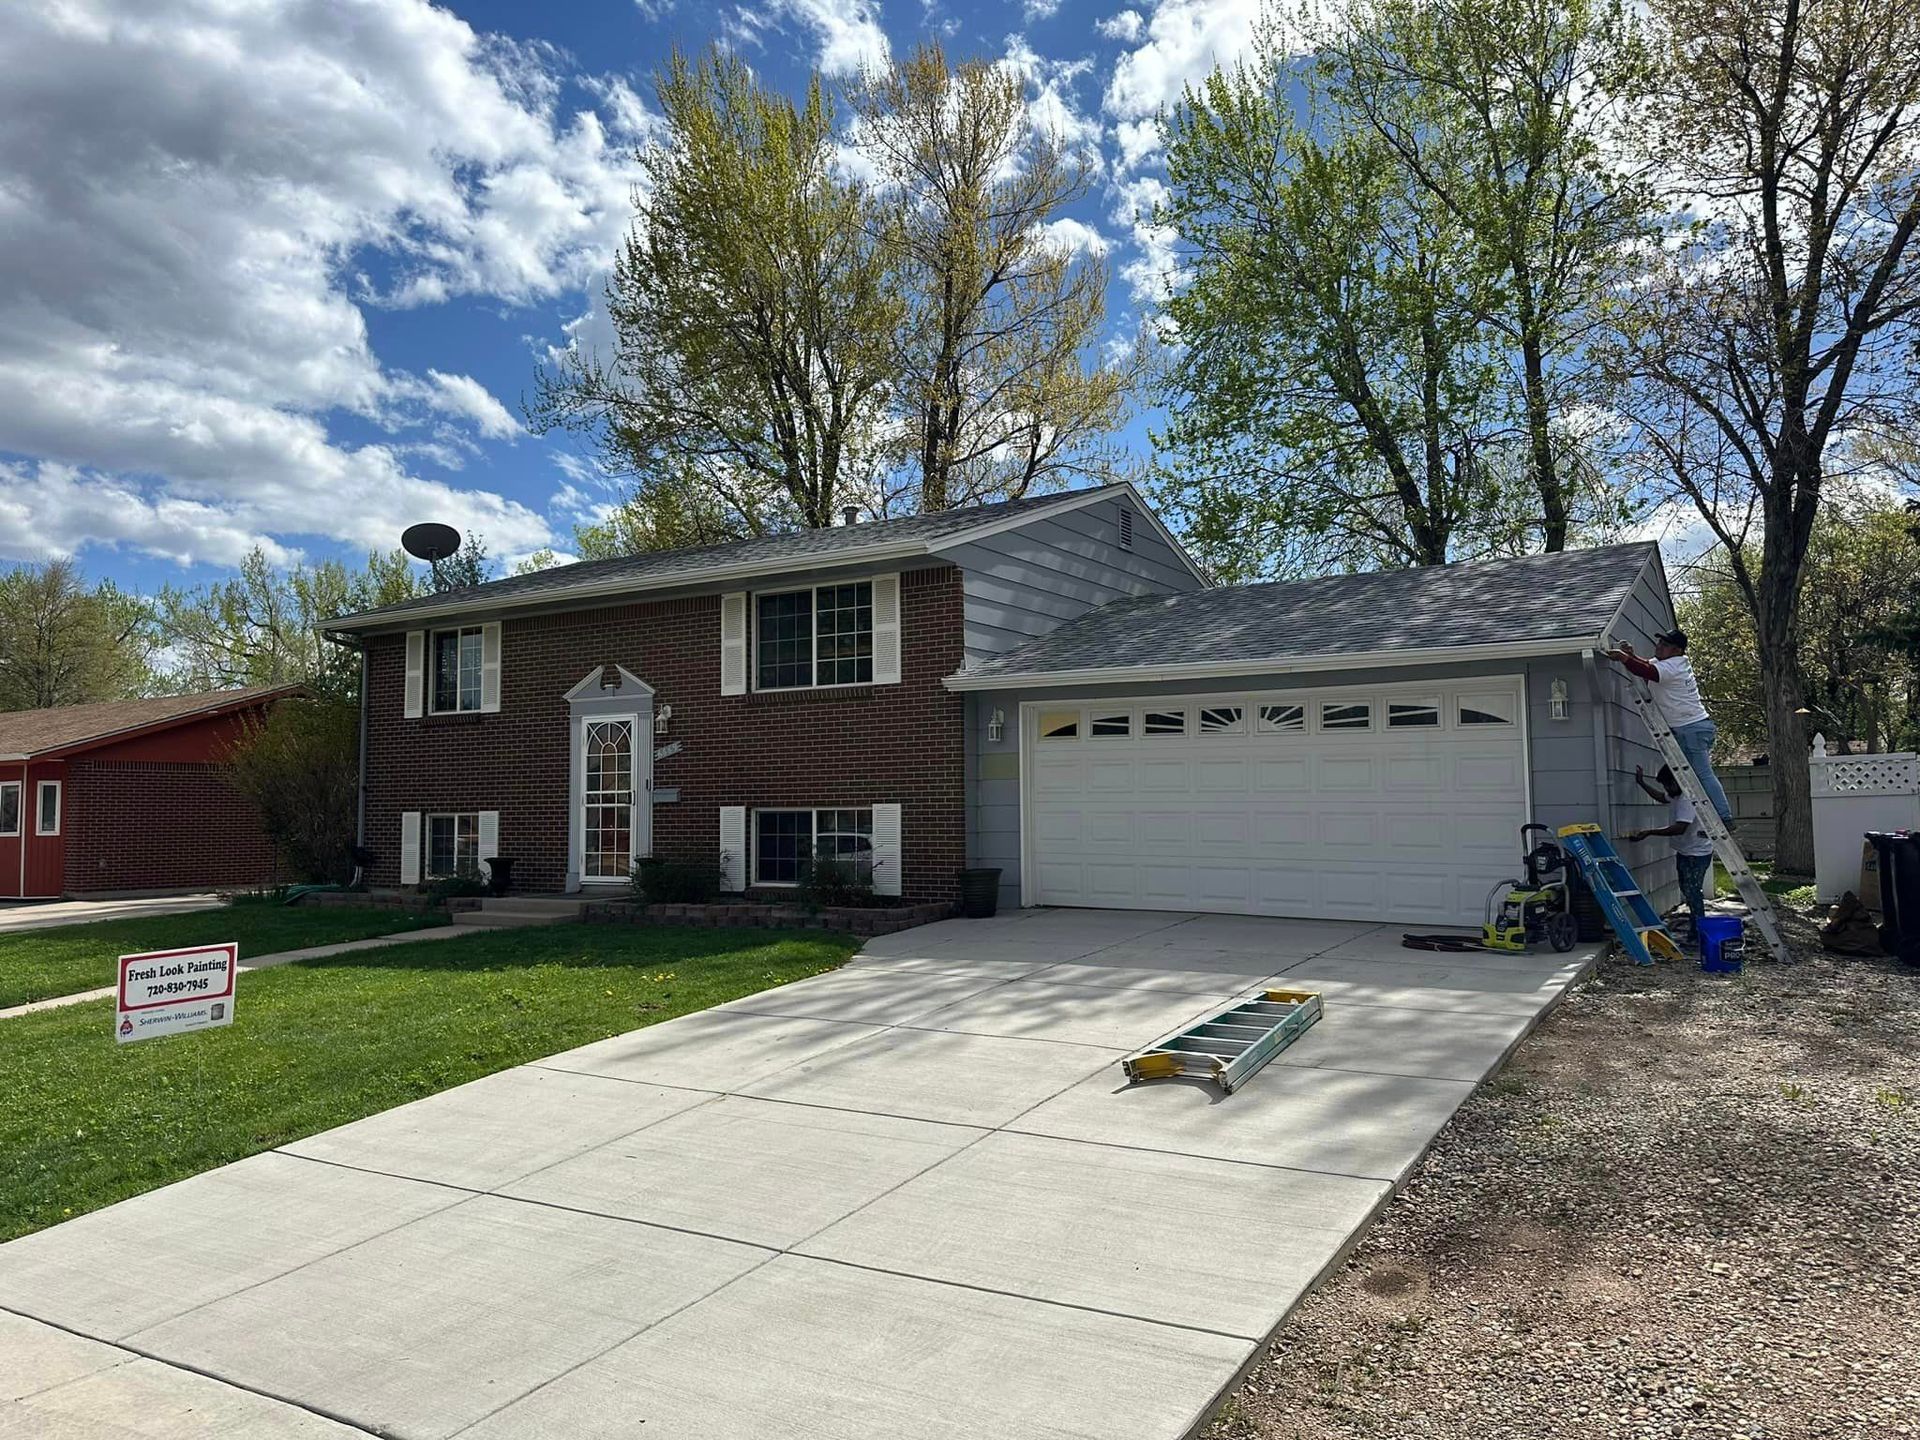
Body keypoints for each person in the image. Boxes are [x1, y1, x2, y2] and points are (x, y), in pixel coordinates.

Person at [1604, 627, 1733, 823]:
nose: (1660, 646)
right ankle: (1722, 815)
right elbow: (1646, 665)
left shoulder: (1675, 666)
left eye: (1665, 645)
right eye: (1660, 642)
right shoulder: (1665, 662)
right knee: (1696, 774)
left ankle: (1724, 817)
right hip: (1689, 727)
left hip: (1692, 728)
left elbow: (1647, 671)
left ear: (1677, 650)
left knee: (1703, 773)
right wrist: (1631, 656)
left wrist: (1624, 659)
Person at [1623, 764, 1716, 946]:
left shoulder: (1687, 800)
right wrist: (1641, 783)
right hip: (1685, 851)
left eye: (1667, 785)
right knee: (1688, 890)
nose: (1666, 789)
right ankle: (1695, 930)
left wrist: (1649, 832)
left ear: (1676, 781)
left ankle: (1698, 934)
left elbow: (1680, 828)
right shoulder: (1676, 795)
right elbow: (1661, 797)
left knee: (1692, 893)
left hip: (1696, 853)